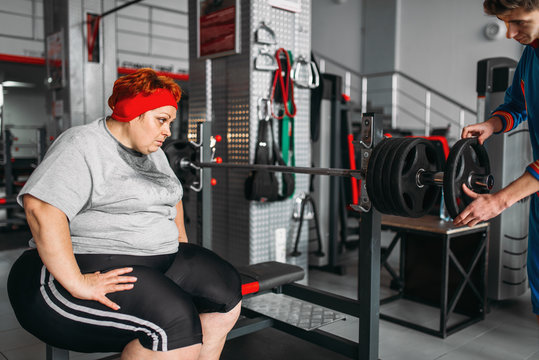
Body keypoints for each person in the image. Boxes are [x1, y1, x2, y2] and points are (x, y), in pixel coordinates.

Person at [7, 68, 242, 359]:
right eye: (161, 120)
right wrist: (77, 282)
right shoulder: (82, 144)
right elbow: (41, 208)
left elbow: (173, 198)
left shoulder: (154, 153)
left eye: (169, 121)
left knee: (226, 292)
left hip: (149, 263)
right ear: (133, 113)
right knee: (175, 324)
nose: (168, 130)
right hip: (62, 278)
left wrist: (178, 245)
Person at [455, 0, 539, 325]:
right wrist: (492, 124)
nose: (509, 33)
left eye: (517, 22)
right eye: (505, 23)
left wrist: (500, 200)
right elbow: (517, 103)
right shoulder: (531, 53)